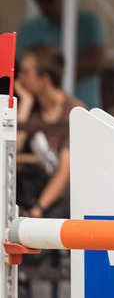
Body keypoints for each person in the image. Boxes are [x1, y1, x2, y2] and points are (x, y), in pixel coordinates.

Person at [16, 0, 106, 107]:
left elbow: (96, 62)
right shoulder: (28, 30)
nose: (42, 5)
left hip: (86, 109)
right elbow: (24, 72)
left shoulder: (89, 22)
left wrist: (47, 74)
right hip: (45, 112)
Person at [14, 44, 85, 220]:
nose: (19, 79)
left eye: (25, 73)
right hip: (30, 196)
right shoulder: (30, 108)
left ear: (44, 79)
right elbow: (12, 150)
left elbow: (65, 171)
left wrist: (38, 209)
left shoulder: (74, 111)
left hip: (63, 201)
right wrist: (26, 103)